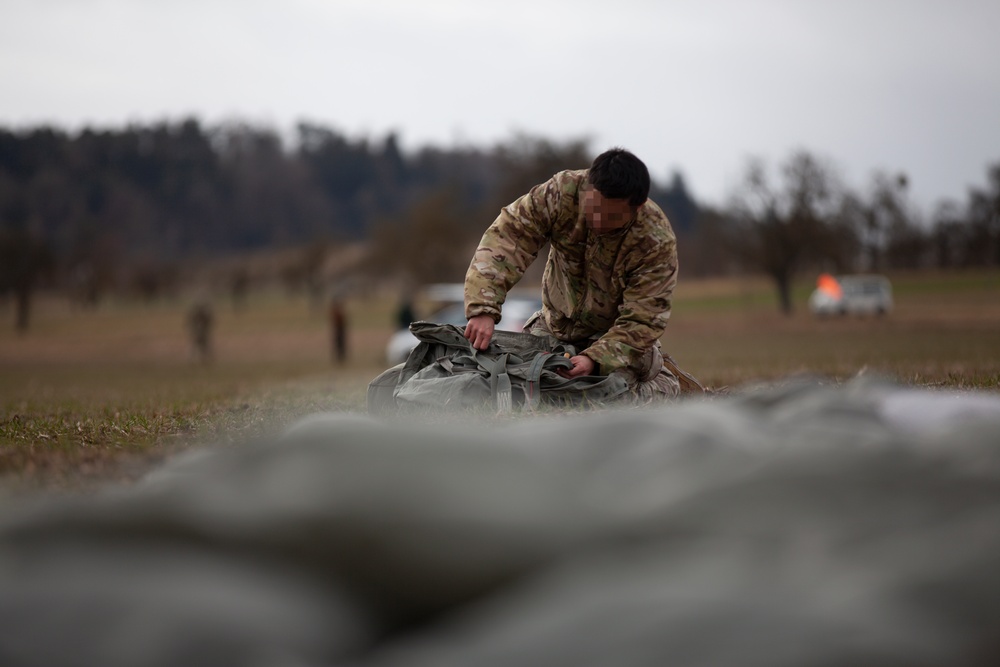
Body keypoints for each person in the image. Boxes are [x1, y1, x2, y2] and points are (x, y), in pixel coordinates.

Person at [464, 147, 691, 401]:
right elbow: (509, 237)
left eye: (610, 214)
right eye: (593, 206)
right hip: (555, 327)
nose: (596, 219)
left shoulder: (655, 240)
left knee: (606, 395)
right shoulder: (562, 193)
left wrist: (595, 359)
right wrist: (483, 308)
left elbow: (644, 319)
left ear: (636, 208)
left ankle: (664, 384)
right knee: (515, 380)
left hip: (616, 340)